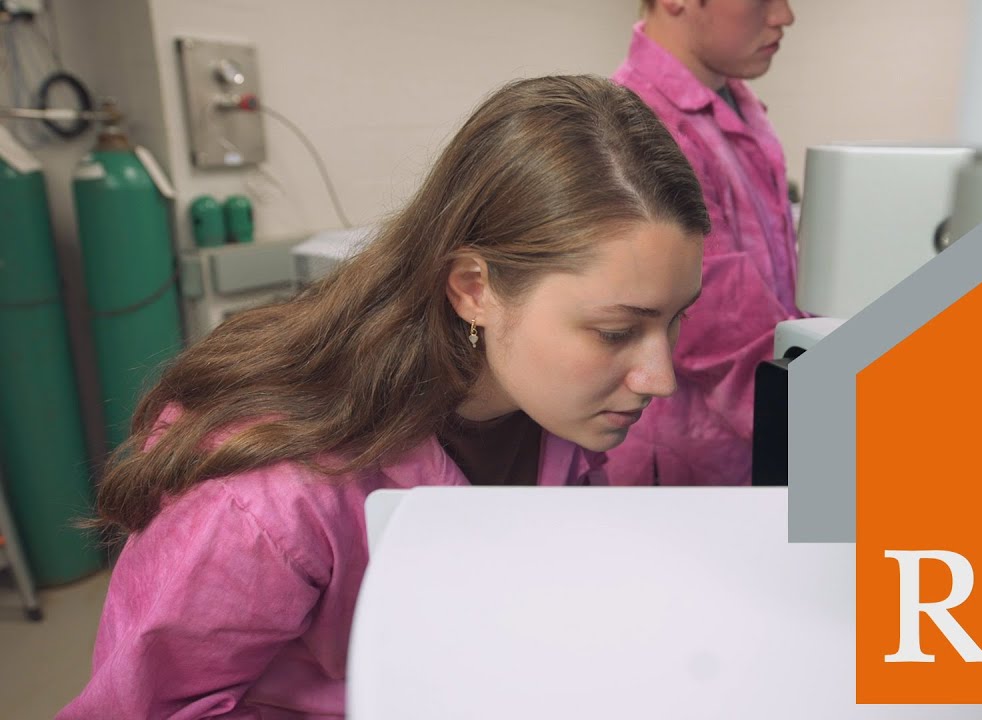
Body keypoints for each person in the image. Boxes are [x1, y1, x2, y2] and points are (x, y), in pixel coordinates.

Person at [58, 74, 708, 719]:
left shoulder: (550, 409)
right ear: (473, 289)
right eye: (616, 331)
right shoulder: (267, 497)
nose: (660, 376)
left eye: (675, 320)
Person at [610, 0, 801, 486]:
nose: (784, 16)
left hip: (749, 437)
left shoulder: (732, 102)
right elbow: (718, 330)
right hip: (685, 467)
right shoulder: (645, 125)